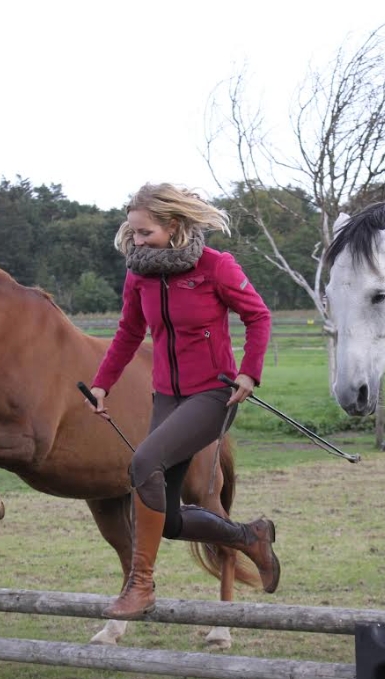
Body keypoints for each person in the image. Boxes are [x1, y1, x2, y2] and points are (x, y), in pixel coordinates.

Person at [85, 183, 280, 620]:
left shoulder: (216, 267)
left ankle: (141, 586)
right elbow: (129, 334)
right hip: (167, 398)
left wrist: (250, 370)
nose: (136, 241)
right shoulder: (139, 275)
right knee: (171, 521)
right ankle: (249, 536)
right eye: (132, 233)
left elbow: (258, 315)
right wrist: (102, 384)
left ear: (173, 225)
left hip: (214, 393)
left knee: (141, 463)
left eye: (144, 233)